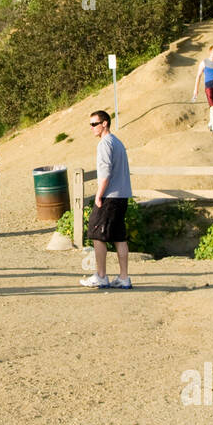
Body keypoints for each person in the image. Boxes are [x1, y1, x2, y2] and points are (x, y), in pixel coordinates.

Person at [81, 110, 132, 290]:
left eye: (94, 124)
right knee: (119, 236)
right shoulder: (117, 142)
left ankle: (101, 276)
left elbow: (105, 174)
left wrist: (98, 195)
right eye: (91, 124)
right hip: (123, 196)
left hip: (110, 196)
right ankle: (124, 277)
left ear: (104, 123)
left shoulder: (104, 144)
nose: (92, 128)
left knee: (96, 233)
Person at [191, 44, 213, 133]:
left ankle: (211, 123)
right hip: (209, 86)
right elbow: (198, 76)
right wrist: (196, 89)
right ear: (210, 52)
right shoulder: (204, 62)